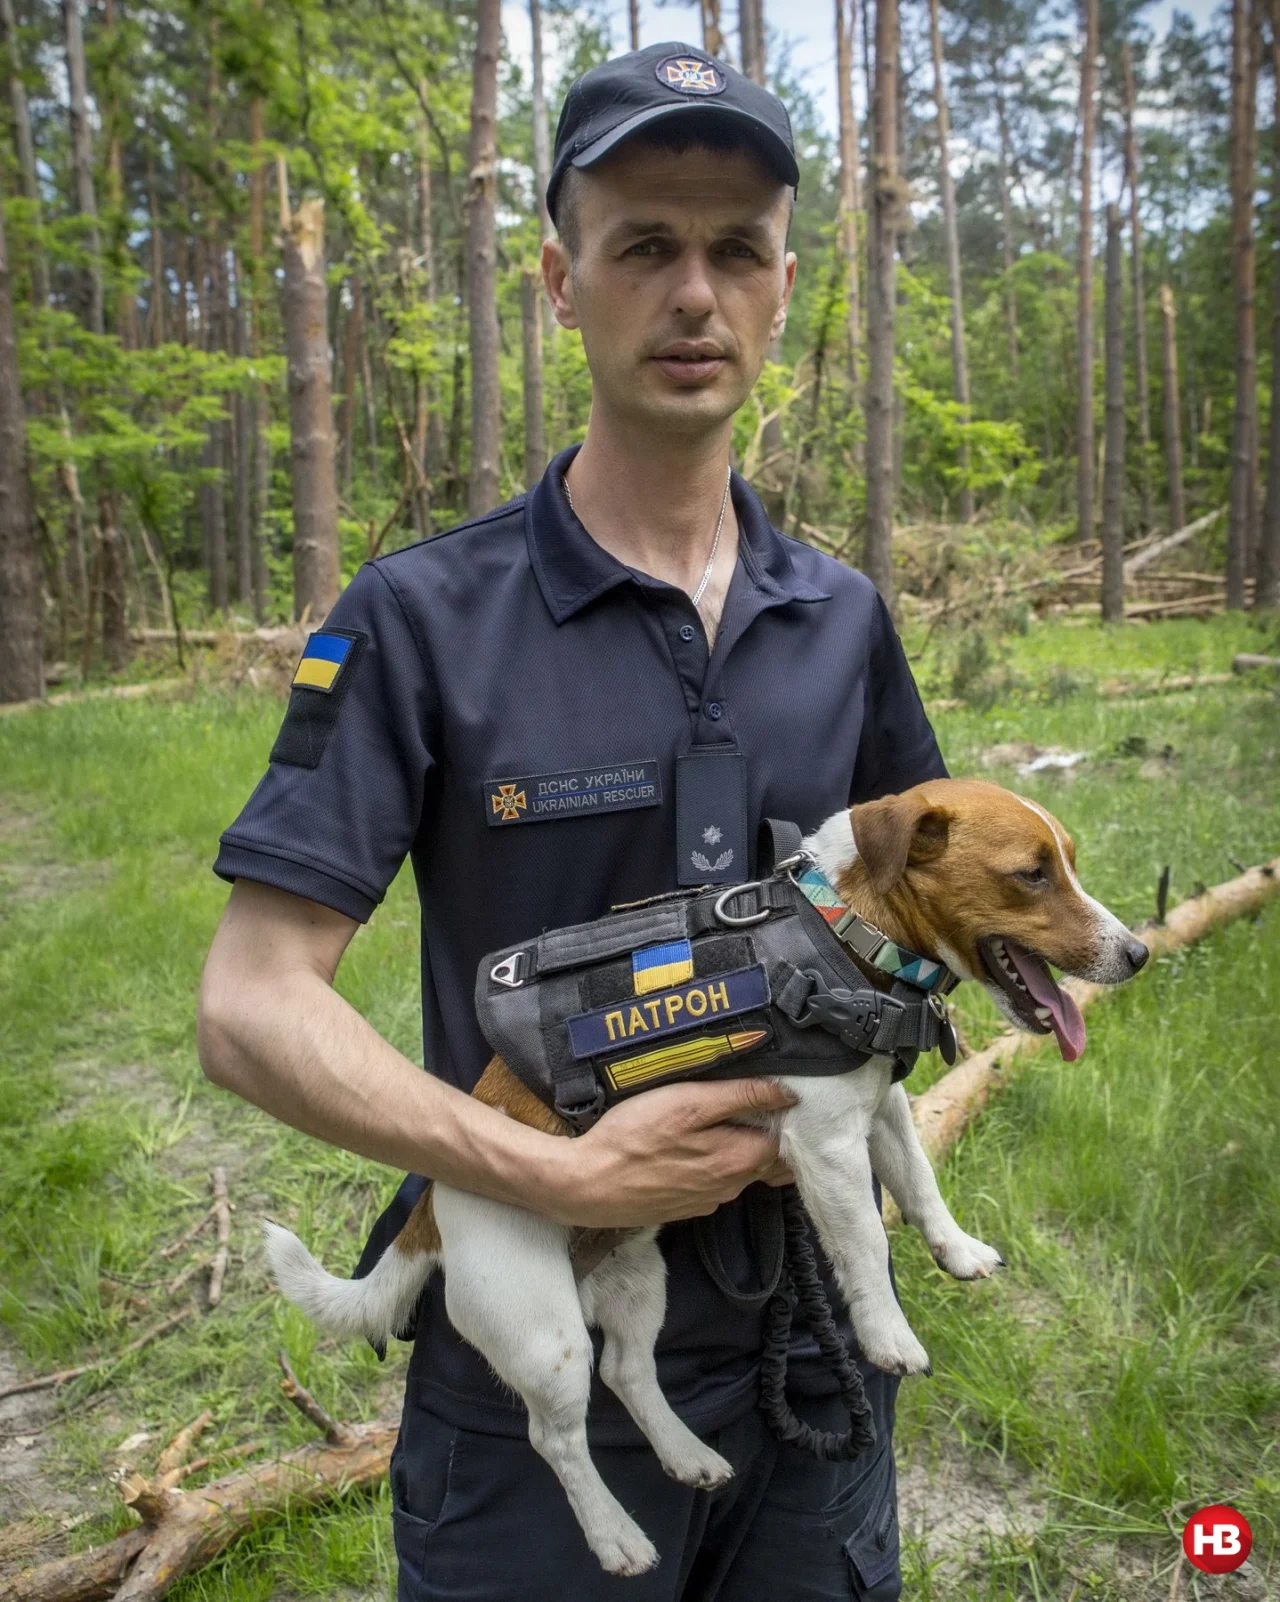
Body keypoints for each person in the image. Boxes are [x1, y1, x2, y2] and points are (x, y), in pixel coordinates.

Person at [198, 40, 945, 1602]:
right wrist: (553, 1175)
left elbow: (920, 938)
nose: (695, 292)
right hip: (532, 1336)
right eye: (644, 246)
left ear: (786, 285)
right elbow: (250, 1005)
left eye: (736, 250)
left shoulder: (844, 620)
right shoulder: (420, 620)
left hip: (816, 1343)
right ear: (558, 280)